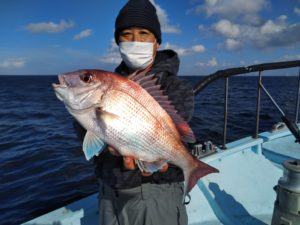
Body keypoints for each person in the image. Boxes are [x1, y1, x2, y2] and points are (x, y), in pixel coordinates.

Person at [74, 0, 194, 224]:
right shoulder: (109, 84)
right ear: (118, 42)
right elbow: (90, 137)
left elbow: (171, 133)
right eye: (126, 34)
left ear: (156, 42)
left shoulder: (178, 88)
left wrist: (158, 162)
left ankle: (191, 168)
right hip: (109, 191)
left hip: (155, 194)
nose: (135, 40)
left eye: (144, 33)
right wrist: (82, 111)